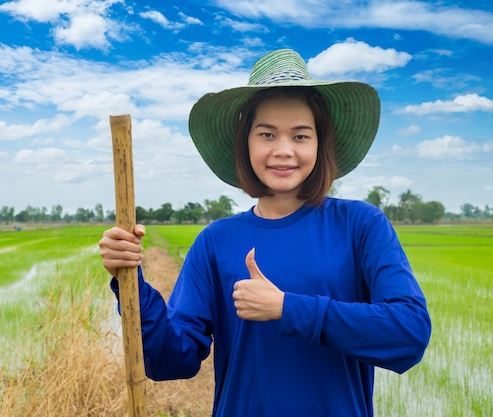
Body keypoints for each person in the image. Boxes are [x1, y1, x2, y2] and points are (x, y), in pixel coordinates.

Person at [99, 48, 431, 417]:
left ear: (321, 144)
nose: (284, 150)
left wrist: (288, 309)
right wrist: (130, 280)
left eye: (301, 136)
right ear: (246, 143)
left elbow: (409, 333)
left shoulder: (360, 225)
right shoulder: (216, 241)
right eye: (267, 134)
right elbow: (170, 360)